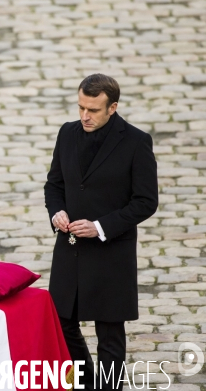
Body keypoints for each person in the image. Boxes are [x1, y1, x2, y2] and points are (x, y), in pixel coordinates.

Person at [44, 74, 158, 390]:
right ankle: (88, 382)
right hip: (70, 248)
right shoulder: (67, 133)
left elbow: (146, 202)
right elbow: (54, 185)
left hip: (111, 252)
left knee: (109, 333)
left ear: (113, 107)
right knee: (62, 322)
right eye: (81, 107)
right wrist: (57, 212)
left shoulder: (136, 142)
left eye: (93, 110)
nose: (85, 116)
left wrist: (100, 227)